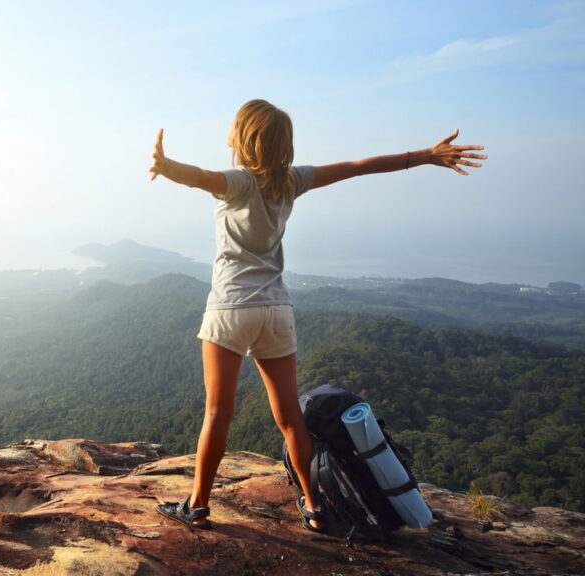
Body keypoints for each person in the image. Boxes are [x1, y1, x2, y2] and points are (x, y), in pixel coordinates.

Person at [149, 99, 486, 531]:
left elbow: (197, 177)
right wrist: (424, 156)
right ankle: (313, 506)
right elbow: (357, 166)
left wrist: (166, 164)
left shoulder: (237, 182)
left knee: (218, 413)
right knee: (290, 416)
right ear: (283, 144)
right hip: (276, 309)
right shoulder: (292, 181)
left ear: (243, 139)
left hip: (231, 306)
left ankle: (196, 505)